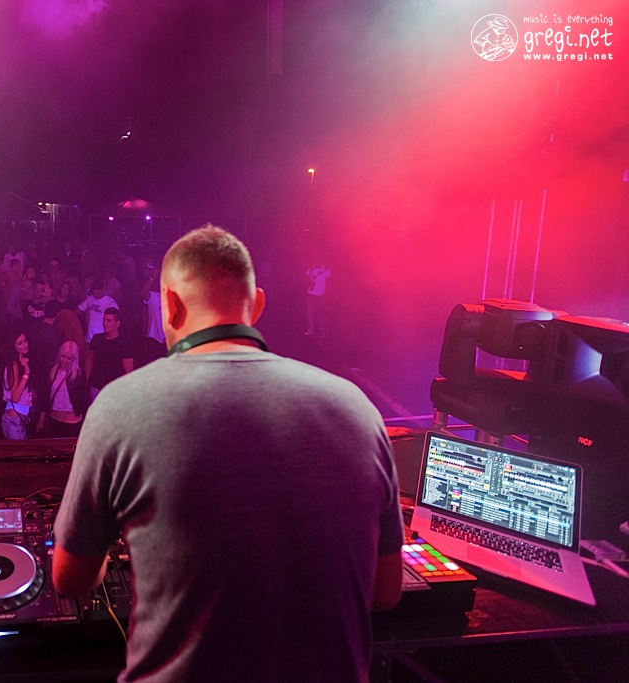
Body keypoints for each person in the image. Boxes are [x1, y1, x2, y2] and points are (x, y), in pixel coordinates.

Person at [52, 225, 403, 682]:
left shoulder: (121, 404)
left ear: (171, 305)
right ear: (257, 305)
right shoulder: (357, 408)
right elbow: (386, 590)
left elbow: (71, 579)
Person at [84, 307, 133, 397]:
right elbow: (90, 359)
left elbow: (128, 369)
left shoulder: (125, 343)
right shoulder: (97, 339)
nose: (105, 323)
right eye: (104, 320)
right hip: (96, 386)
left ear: (117, 324)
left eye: (109, 321)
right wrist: (86, 380)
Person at [45, 340, 90, 437]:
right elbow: (45, 396)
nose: (65, 360)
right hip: (54, 418)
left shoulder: (79, 374)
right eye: (63, 356)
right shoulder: (52, 371)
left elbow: (85, 398)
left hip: (72, 420)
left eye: (69, 358)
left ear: (74, 359)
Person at [0, 326, 35, 440]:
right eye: (20, 343)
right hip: (14, 420)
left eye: (25, 340)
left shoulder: (20, 363)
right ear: (13, 346)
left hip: (17, 417)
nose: (25, 345)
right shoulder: (14, 365)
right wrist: (26, 373)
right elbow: (15, 397)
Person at [305, 261, 331, 338]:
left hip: (320, 295)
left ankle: (323, 332)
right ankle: (310, 330)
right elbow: (307, 273)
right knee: (310, 314)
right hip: (311, 294)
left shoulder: (325, 270)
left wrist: (322, 270)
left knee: (321, 315)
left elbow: (328, 275)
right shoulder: (312, 268)